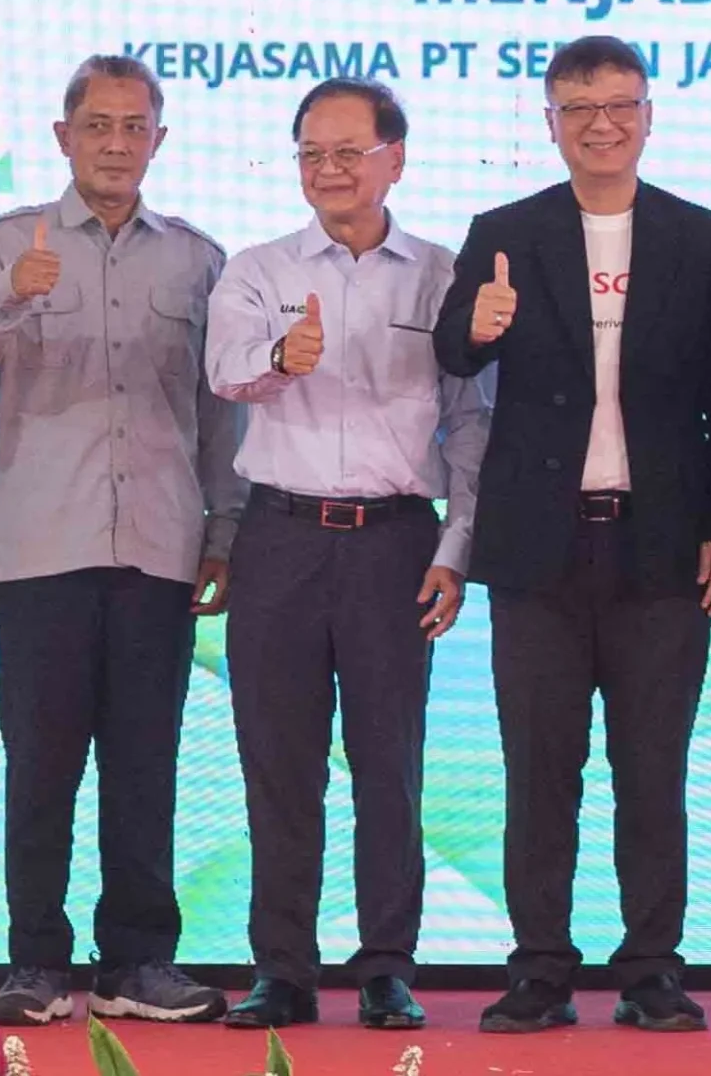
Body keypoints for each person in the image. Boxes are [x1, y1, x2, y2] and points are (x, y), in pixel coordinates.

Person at [433, 36, 711, 1035]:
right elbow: (450, 352)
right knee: (540, 771)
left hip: (660, 544)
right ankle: (539, 970)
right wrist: (477, 324)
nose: (601, 125)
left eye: (619, 106)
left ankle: (652, 969)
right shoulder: (505, 232)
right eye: (579, 109)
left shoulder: (703, 237)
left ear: (648, 116)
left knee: (653, 771)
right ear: (551, 123)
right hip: (539, 548)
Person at [0, 55, 239, 1027]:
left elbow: (220, 410)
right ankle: (35, 962)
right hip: (40, 553)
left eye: (134, 126)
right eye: (97, 125)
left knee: (145, 766)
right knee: (41, 766)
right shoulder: (3, 242)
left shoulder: (196, 259)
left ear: (159, 139)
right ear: (64, 137)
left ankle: (137, 962)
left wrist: (224, 528)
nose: (116, 143)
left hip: (160, 549)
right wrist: (10, 294)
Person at [206, 78, 489, 1033]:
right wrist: (283, 358)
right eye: (311, 155)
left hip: (396, 542)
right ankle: (282, 970)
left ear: (393, 159)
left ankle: (386, 967)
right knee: (279, 765)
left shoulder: (443, 277)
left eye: (347, 152)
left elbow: (471, 425)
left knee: (388, 764)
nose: (328, 170)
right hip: (279, 538)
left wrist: (456, 546)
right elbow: (225, 370)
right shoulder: (257, 270)